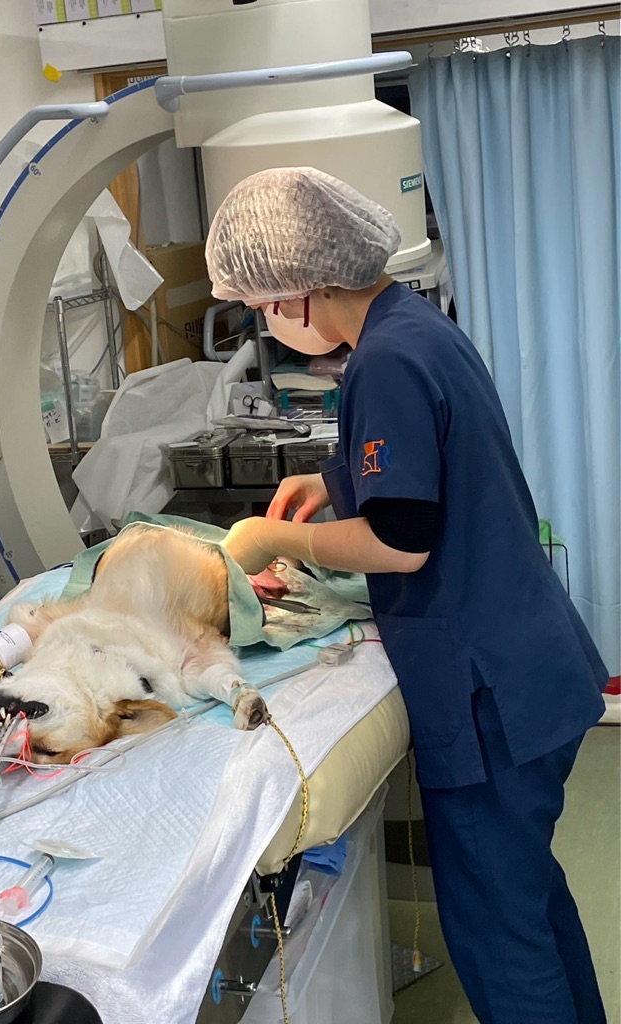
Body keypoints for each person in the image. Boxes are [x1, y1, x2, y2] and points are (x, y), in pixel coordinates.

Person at [205, 166, 609, 1024]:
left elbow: (399, 540)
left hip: (490, 698)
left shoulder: (385, 361)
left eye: (262, 303)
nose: (265, 320)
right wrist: (332, 482)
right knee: (528, 898)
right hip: (532, 663)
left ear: (302, 288)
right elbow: (437, 462)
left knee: (498, 930)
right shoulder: (415, 327)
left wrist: (274, 541)